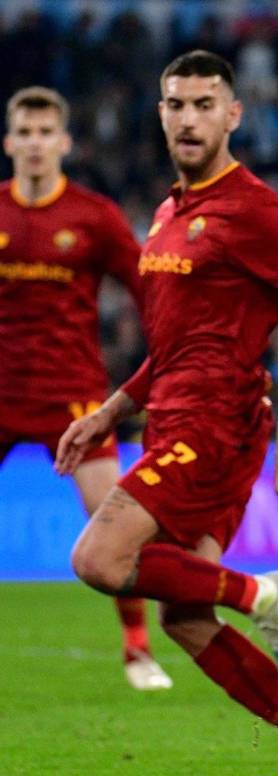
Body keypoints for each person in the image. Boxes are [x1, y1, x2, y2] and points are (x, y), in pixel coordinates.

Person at [56, 51, 278, 776]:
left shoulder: (253, 208)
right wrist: (111, 410)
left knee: (98, 560)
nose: (188, 118)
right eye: (176, 104)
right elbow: (172, 347)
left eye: (204, 104)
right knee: (185, 615)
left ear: (234, 114)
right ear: (161, 113)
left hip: (216, 423)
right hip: (173, 417)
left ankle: (267, 594)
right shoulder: (169, 213)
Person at [0, 86, 171, 691]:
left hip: (72, 393)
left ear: (65, 142)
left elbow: (150, 292)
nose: (36, 143)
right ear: (9, 142)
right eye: (25, 132)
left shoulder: (93, 216)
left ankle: (137, 649)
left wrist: (166, 366)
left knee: (111, 519)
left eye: (46, 132)